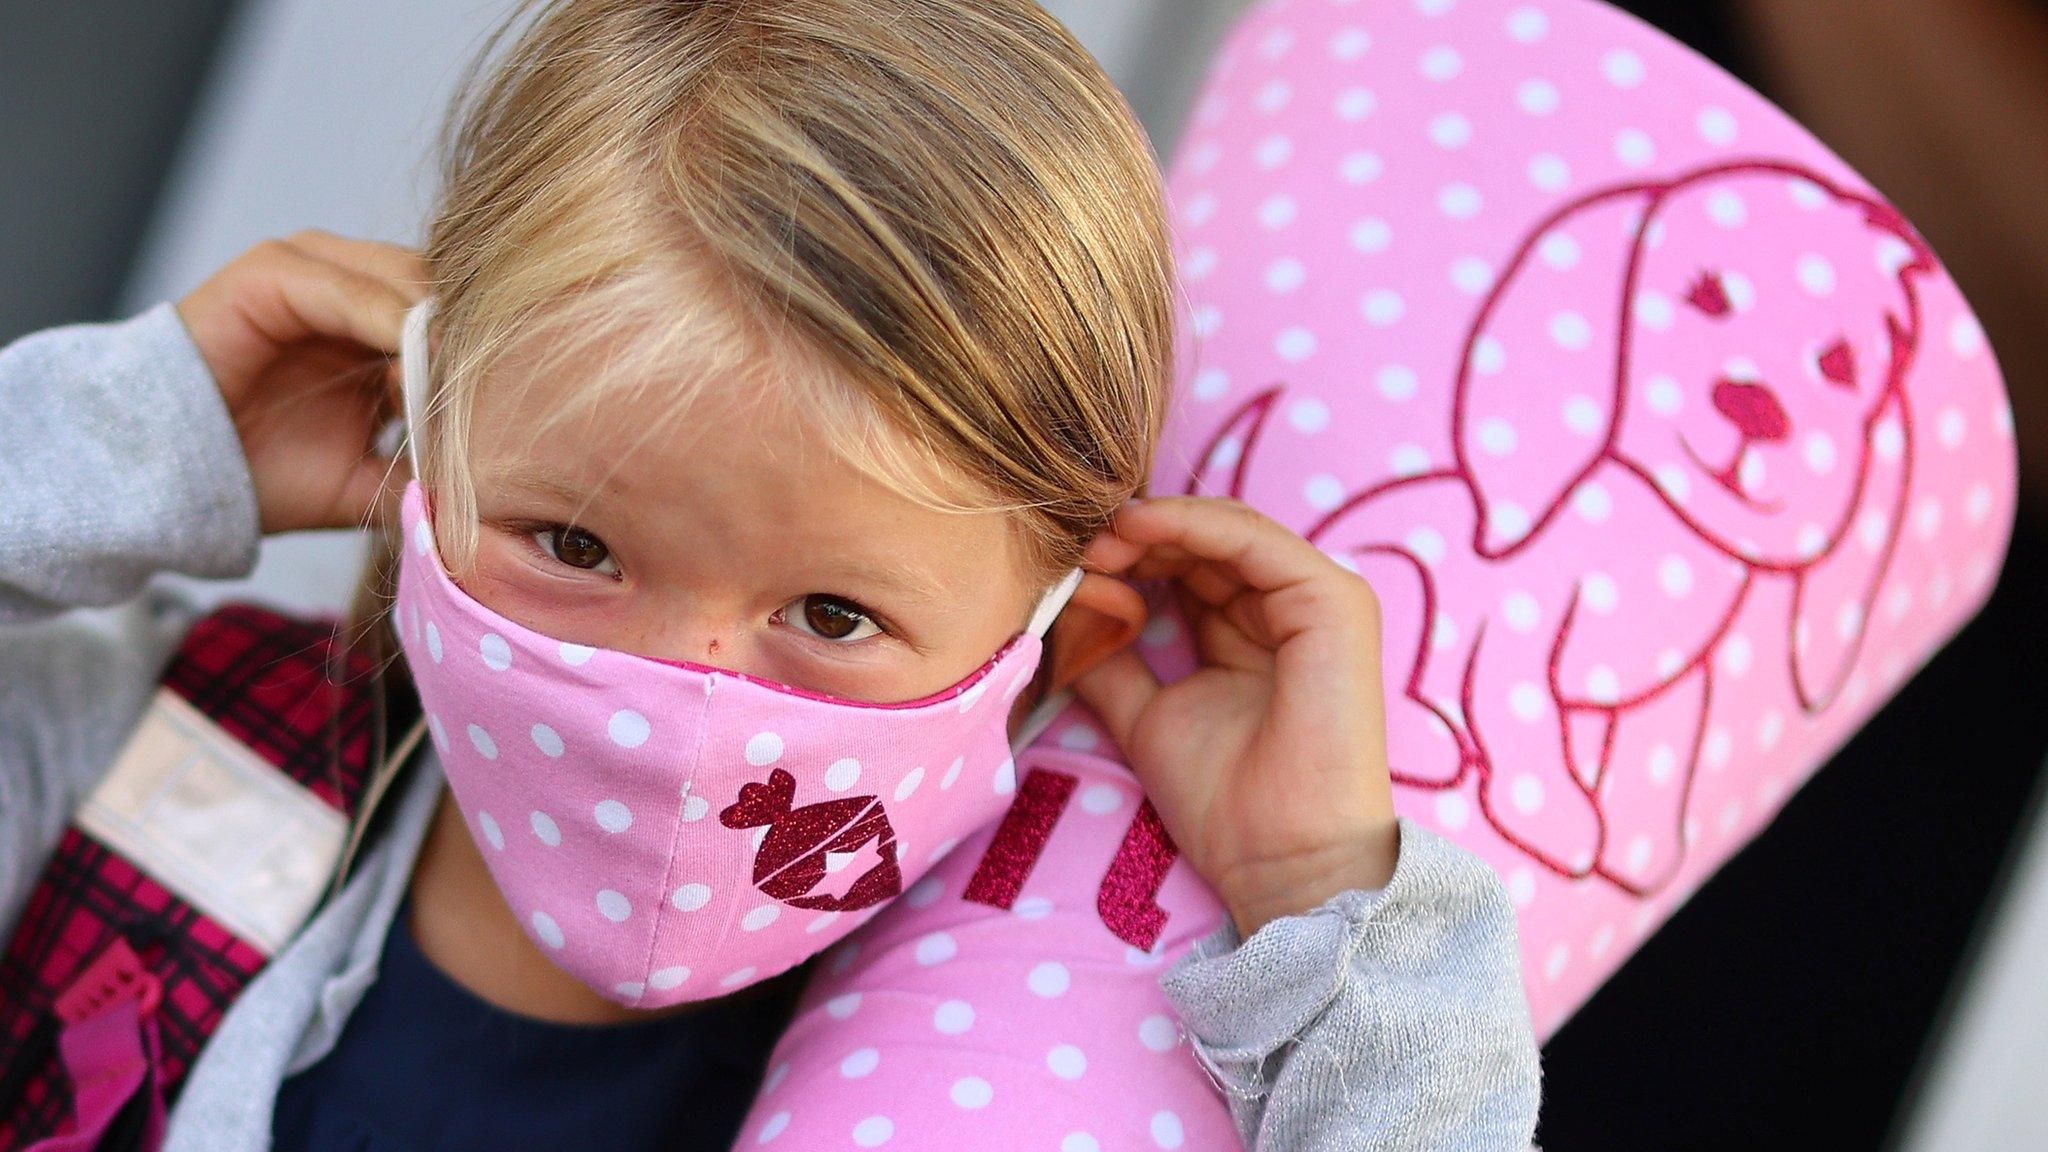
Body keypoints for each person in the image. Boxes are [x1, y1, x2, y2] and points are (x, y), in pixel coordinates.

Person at [0, 2, 1539, 1149]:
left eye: (834, 614)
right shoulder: (142, 755)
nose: (683, 696)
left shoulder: (1046, 1035)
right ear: (422, 443)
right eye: (576, 545)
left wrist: (1323, 897)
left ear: (1058, 642)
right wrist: (135, 437)